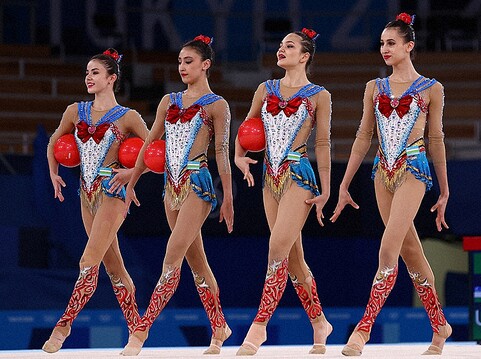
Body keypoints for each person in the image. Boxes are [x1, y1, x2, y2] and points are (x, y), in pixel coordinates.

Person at [331, 12, 452, 356]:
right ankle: (440, 326)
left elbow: (437, 139)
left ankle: (362, 330)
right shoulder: (374, 87)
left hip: (414, 168)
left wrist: (444, 190)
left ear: (409, 46)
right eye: (382, 43)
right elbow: (363, 136)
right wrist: (344, 184)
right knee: (411, 252)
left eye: (391, 43)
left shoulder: (431, 88)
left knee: (388, 249)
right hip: (381, 174)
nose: (384, 49)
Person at [121, 35, 234, 356]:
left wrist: (227, 196)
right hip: (170, 187)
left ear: (205, 64)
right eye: (180, 62)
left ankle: (140, 333)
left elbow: (222, 151)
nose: (183, 67)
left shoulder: (217, 105)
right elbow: (149, 144)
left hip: (198, 184)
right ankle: (219, 327)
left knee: (172, 257)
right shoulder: (168, 101)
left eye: (189, 62)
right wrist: (132, 181)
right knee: (198, 264)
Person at [233, 27, 332, 355]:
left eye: (289, 46)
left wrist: (327, 188)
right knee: (293, 258)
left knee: (277, 246)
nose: (281, 49)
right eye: (280, 45)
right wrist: (239, 156)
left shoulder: (319, 94)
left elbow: (323, 143)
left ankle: (258, 327)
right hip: (269, 178)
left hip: (299, 176)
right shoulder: (265, 88)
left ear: (304, 56)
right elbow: (247, 127)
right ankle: (319, 322)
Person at [43, 49, 149, 353]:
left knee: (88, 260)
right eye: (87, 72)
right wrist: (53, 173)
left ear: (112, 78)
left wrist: (131, 174)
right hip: (85, 194)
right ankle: (136, 332)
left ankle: (62, 327)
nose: (89, 77)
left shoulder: (129, 117)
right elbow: (53, 142)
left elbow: (156, 151)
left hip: (113, 193)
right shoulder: (74, 111)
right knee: (114, 267)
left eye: (95, 73)